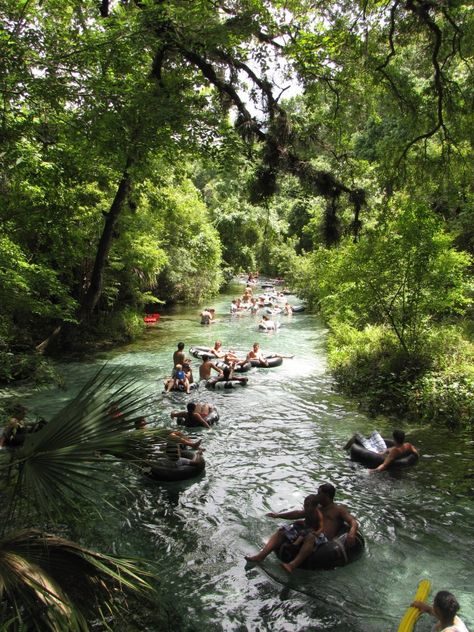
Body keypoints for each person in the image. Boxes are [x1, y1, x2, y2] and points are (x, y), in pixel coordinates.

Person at [245, 483, 358, 564]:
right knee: (281, 531)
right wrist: (278, 515)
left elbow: (352, 521)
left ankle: (292, 565)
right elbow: (299, 514)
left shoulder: (338, 510)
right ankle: (260, 556)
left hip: (321, 541)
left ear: (327, 496)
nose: (317, 495)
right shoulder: (316, 507)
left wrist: (352, 534)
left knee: (310, 537)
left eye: (319, 494)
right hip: (307, 533)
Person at [279, 495, 328, 573]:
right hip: (306, 528)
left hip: (313, 532)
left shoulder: (318, 515)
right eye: (304, 505)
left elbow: (322, 527)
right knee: (285, 528)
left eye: (307, 506)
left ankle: (294, 547)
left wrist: (317, 533)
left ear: (315, 507)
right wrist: (277, 515)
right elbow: (296, 514)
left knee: (305, 533)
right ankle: (261, 556)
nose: (305, 507)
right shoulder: (307, 511)